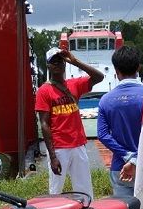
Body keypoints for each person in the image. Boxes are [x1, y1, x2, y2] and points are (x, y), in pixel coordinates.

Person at [35, 47, 104, 200]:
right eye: (54, 61)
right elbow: (44, 124)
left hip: (78, 145)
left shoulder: (74, 85)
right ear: (48, 65)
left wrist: (75, 61)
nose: (58, 64)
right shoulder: (44, 91)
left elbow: (99, 77)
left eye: (60, 60)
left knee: (84, 187)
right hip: (59, 148)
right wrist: (52, 156)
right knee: (56, 189)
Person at [96, 45, 143, 197]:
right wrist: (137, 159)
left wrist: (127, 156)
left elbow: (103, 135)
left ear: (116, 72)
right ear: (139, 68)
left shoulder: (105, 100)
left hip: (120, 166)